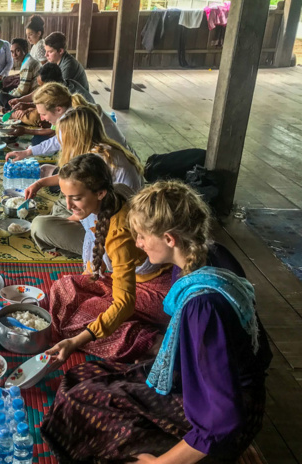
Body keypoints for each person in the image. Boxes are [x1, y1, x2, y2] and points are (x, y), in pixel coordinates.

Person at [41, 180, 272, 463]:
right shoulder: (210, 254)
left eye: (141, 236)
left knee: (83, 410)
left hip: (226, 419)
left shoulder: (202, 305)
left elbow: (223, 418)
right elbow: (262, 352)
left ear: (170, 239)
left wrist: (160, 463)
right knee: (79, 381)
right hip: (206, 383)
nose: (137, 244)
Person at [40, 154, 172, 362]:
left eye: (76, 198)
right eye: (65, 196)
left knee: (79, 320)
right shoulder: (114, 191)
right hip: (128, 280)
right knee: (63, 288)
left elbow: (124, 303)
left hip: (156, 292)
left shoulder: (120, 237)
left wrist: (78, 341)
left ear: (100, 193)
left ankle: (154, 343)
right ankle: (127, 327)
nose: (68, 205)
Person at [27, 103, 142, 260]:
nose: (59, 140)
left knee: (40, 226)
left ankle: (92, 253)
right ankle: (67, 239)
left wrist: (65, 224)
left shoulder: (100, 159)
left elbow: (103, 207)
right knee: (61, 204)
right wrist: (40, 183)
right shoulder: (102, 149)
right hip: (103, 208)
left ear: (75, 136)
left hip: (117, 230)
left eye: (62, 135)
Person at [7, 82, 131, 163]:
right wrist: (28, 152)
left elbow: (76, 162)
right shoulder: (70, 111)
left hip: (115, 170)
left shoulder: (78, 120)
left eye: (43, 114)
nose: (42, 118)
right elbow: (59, 139)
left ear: (58, 109)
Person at [0, 38, 41, 111]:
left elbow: (23, 91)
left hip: (33, 98)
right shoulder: (28, 60)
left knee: (1, 97)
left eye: (17, 50)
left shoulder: (28, 64)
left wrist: (11, 96)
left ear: (25, 49)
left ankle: (11, 109)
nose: (14, 55)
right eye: (12, 52)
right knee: (7, 90)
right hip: (30, 94)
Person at [44, 31, 90, 96]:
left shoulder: (69, 66)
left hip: (78, 102)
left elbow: (60, 92)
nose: (45, 55)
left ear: (60, 51)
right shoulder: (54, 61)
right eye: (46, 51)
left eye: (50, 52)